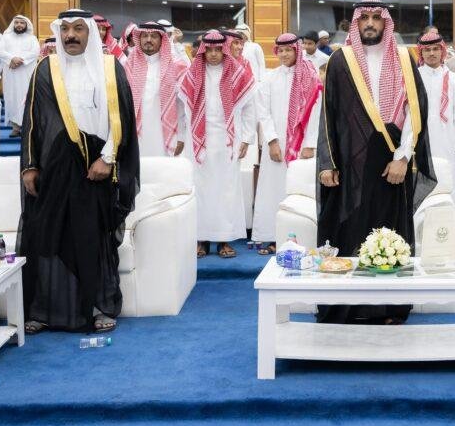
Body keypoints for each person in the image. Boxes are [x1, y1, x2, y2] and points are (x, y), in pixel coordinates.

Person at [18, 9, 139, 334]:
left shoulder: (110, 67)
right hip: (54, 169)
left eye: (78, 29)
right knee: (48, 237)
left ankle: (98, 307)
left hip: (94, 168)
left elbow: (123, 118)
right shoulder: (46, 68)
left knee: (90, 239)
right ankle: (44, 311)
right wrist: (30, 165)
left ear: (90, 33)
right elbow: (32, 121)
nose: (71, 35)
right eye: (66, 29)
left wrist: (108, 159)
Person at [317, 0, 435, 324]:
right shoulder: (341, 59)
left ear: (386, 22)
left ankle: (388, 308)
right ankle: (346, 308)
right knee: (349, 228)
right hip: (350, 163)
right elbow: (328, 114)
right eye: (364, 17)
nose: (370, 23)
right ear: (356, 22)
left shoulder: (403, 57)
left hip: (390, 161)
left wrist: (403, 158)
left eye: (376, 17)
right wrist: (327, 162)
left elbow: (415, 111)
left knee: (389, 229)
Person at [186, 31, 256, 258]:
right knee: (201, 189)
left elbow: (249, 108)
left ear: (224, 50)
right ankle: (202, 239)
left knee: (226, 189)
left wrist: (246, 138)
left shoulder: (237, 73)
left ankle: (224, 240)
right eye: (210, 50)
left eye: (218, 50)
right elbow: (183, 108)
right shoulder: (192, 73)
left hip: (229, 140)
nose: (214, 54)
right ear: (203, 51)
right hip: (199, 140)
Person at [253, 33, 323, 251]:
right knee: (272, 190)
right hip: (277, 146)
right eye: (280, 50)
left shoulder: (311, 77)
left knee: (297, 190)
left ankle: (299, 238)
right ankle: (273, 237)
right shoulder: (270, 78)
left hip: (303, 146)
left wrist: (310, 144)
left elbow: (316, 113)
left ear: (297, 50)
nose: (283, 54)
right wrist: (272, 141)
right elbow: (263, 112)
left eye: (288, 50)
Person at [123, 22, 191, 158]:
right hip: (135, 135)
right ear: (139, 39)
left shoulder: (177, 67)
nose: (148, 40)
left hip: (166, 134)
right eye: (144, 36)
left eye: (153, 36)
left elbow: (183, 105)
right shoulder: (128, 66)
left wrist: (181, 136)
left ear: (162, 40)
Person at [416, 31, 455, 206]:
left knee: (450, 181)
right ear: (421, 53)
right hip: (421, 141)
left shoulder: (452, 79)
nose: (431, 53)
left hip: (448, 141)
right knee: (423, 183)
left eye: (435, 49)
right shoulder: (415, 77)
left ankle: (452, 221)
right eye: (427, 50)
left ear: (442, 51)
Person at [0, 15, 40, 137]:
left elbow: (35, 52)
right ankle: (15, 128)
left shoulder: (32, 38)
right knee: (12, 99)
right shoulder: (6, 37)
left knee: (26, 98)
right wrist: (12, 58)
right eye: (17, 22)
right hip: (11, 74)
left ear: (26, 25)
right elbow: (0, 51)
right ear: (13, 24)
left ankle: (27, 127)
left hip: (26, 73)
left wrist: (20, 60)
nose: (19, 25)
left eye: (22, 23)